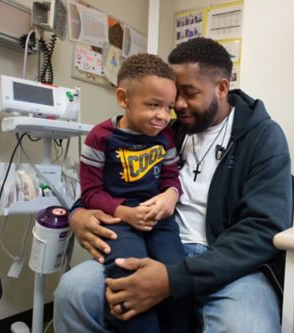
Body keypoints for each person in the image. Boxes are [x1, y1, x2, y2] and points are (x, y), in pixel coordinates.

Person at [54, 37, 293, 333]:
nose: (177, 106)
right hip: (153, 244)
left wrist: (173, 279)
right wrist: (77, 214)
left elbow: (264, 228)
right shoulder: (167, 130)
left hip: (229, 266)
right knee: (73, 292)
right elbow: (114, 180)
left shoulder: (263, 137)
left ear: (221, 88)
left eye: (189, 94)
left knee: (245, 327)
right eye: (174, 95)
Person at [79, 53, 190, 333]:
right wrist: (124, 212)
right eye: (153, 105)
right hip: (118, 220)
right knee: (128, 273)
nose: (163, 117)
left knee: (175, 274)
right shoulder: (100, 138)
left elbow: (170, 178)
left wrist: (171, 195)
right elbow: (90, 192)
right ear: (123, 98)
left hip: (158, 219)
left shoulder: (164, 138)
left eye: (168, 108)